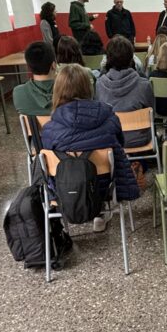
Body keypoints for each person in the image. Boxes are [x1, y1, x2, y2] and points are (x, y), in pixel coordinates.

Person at [40, 65, 139, 232]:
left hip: (66, 190)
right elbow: (121, 144)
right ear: (88, 87)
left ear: (57, 90)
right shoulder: (109, 118)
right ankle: (100, 214)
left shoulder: (49, 129)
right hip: (103, 189)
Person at [95, 37, 154, 147]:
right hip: (139, 139)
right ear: (131, 58)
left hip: (110, 140)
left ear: (108, 58)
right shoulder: (144, 85)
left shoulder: (99, 85)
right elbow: (152, 115)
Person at [13, 41, 56, 117]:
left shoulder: (18, 93)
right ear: (54, 65)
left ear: (29, 66)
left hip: (34, 125)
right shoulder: (70, 91)